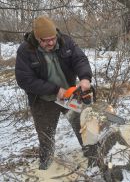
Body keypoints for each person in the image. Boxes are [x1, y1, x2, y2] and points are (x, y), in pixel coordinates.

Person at [15, 16, 92, 170]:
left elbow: (80, 59)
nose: (50, 43)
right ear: (37, 37)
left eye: (52, 39)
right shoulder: (25, 50)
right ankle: (46, 163)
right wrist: (55, 90)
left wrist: (84, 78)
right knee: (46, 135)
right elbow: (25, 79)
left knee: (84, 127)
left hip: (70, 95)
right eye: (45, 40)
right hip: (44, 100)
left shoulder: (65, 41)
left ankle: (93, 155)